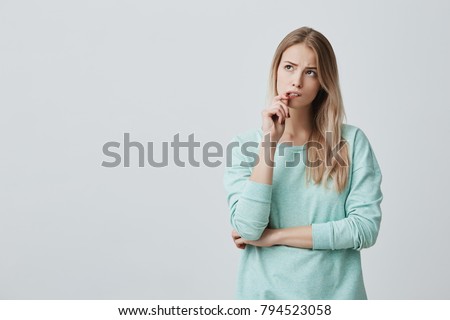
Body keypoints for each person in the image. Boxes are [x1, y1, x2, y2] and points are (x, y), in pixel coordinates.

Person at [222, 26, 383, 300]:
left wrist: (275, 237)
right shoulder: (244, 146)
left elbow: (364, 230)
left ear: (324, 82)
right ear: (275, 71)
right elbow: (249, 228)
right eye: (288, 67)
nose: (296, 81)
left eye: (310, 72)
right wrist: (269, 145)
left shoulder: (351, 142)